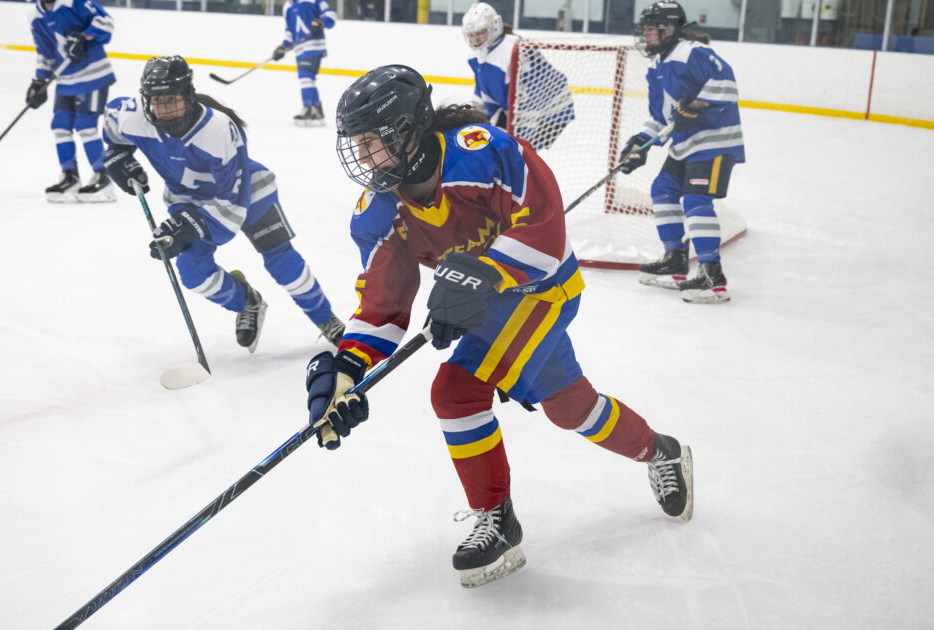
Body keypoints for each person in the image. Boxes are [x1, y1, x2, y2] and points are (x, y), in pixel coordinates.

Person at [304, 64, 693, 588]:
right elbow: (384, 302)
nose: (365, 158)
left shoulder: (479, 150)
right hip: (488, 312)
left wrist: (484, 273)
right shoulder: (378, 212)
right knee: (570, 408)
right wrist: (348, 370)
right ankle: (661, 450)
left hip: (542, 290)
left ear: (409, 130)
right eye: (358, 144)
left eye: (373, 142)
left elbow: (546, 226)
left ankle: (498, 520)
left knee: (456, 391)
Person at [101, 56, 345, 352]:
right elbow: (111, 121)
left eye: (172, 100)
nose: (164, 109)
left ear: (188, 96)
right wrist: (117, 156)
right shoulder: (133, 117)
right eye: (156, 101)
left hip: (248, 196)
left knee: (281, 260)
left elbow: (232, 207)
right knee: (192, 273)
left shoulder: (218, 130)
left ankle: (327, 320)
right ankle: (248, 302)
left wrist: (187, 229)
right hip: (188, 201)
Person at [620, 0, 744, 304]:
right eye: (645, 29)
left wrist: (696, 105)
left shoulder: (692, 52)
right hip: (686, 144)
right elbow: (662, 118)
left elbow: (727, 85)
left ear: (670, 29)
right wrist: (640, 142)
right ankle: (675, 258)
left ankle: (711, 274)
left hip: (714, 141)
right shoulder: (656, 64)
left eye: (651, 30)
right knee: (662, 189)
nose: (645, 35)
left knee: (695, 200)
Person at [27, 0, 117, 203]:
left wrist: (85, 36)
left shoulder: (75, 3)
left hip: (93, 75)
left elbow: (107, 23)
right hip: (66, 80)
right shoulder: (35, 15)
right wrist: (39, 81)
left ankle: (104, 176)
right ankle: (70, 176)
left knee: (85, 125)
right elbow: (45, 52)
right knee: (60, 125)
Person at [462, 2, 573, 150]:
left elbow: (532, 95)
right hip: (515, 110)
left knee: (517, 155)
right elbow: (482, 94)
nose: (476, 39)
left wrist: (518, 141)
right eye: (472, 35)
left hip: (552, 110)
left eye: (481, 33)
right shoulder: (475, 57)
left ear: (494, 27)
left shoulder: (514, 50)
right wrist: (472, 122)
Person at [271, 0, 336, 126]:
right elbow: (290, 32)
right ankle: (315, 110)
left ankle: (309, 108)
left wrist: (321, 22)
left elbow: (330, 15)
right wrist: (283, 47)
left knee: (305, 76)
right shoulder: (288, 6)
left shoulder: (314, 1)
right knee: (306, 78)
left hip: (313, 45)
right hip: (299, 49)